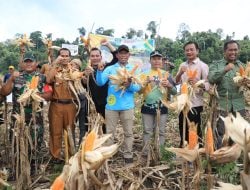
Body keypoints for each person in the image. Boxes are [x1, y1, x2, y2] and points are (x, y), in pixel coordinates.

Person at [96, 44, 141, 164]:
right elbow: (100, 83)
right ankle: (108, 155)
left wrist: (129, 86)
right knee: (109, 133)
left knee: (128, 133)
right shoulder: (110, 69)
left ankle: (128, 155)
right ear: (117, 55)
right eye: (121, 53)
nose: (123, 55)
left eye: (125, 53)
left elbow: (138, 87)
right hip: (111, 106)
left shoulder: (133, 69)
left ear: (129, 55)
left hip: (127, 107)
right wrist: (99, 71)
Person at [0, 52, 52, 147]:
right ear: (22, 64)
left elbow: (49, 95)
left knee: (35, 142)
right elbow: (4, 92)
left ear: (36, 63)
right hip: (18, 116)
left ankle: (33, 160)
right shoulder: (16, 77)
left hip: (35, 117)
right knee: (17, 142)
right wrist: (11, 79)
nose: (28, 64)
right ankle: (17, 160)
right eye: (26, 62)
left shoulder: (42, 78)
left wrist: (38, 94)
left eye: (31, 62)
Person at [208, 40, 246, 149]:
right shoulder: (216, 65)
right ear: (225, 51)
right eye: (230, 50)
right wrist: (225, 70)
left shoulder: (241, 65)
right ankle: (221, 157)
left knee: (239, 131)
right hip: (222, 104)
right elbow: (211, 79)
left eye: (235, 50)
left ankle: (235, 156)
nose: (233, 52)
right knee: (221, 131)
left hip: (239, 105)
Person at [140, 50, 177, 156]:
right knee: (147, 131)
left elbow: (174, 92)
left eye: (159, 59)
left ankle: (160, 152)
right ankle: (146, 152)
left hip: (162, 106)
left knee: (161, 131)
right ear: (150, 61)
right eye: (154, 59)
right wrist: (145, 83)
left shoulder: (167, 74)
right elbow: (139, 91)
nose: (156, 61)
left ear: (162, 61)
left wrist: (169, 85)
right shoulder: (144, 74)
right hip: (147, 106)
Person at [175, 41, 209, 147]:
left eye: (191, 49)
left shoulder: (202, 66)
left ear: (197, 51)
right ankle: (184, 148)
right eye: (187, 50)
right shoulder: (182, 65)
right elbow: (177, 82)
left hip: (195, 104)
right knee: (182, 126)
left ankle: (196, 152)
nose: (189, 52)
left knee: (195, 129)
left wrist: (198, 84)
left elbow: (208, 85)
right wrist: (180, 72)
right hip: (183, 103)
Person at [47, 48, 77, 162]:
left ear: (69, 57)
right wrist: (55, 64)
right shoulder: (55, 69)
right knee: (56, 131)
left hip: (71, 105)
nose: (64, 58)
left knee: (70, 130)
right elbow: (48, 79)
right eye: (62, 56)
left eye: (66, 56)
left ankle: (70, 155)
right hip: (56, 105)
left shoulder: (73, 70)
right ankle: (56, 156)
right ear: (59, 57)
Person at [84, 40, 118, 133]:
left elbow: (116, 58)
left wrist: (108, 45)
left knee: (105, 127)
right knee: (90, 128)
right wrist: (85, 76)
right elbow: (82, 85)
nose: (95, 58)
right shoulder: (86, 69)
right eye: (92, 56)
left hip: (105, 103)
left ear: (100, 57)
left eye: (97, 56)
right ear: (89, 57)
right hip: (91, 104)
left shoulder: (106, 67)